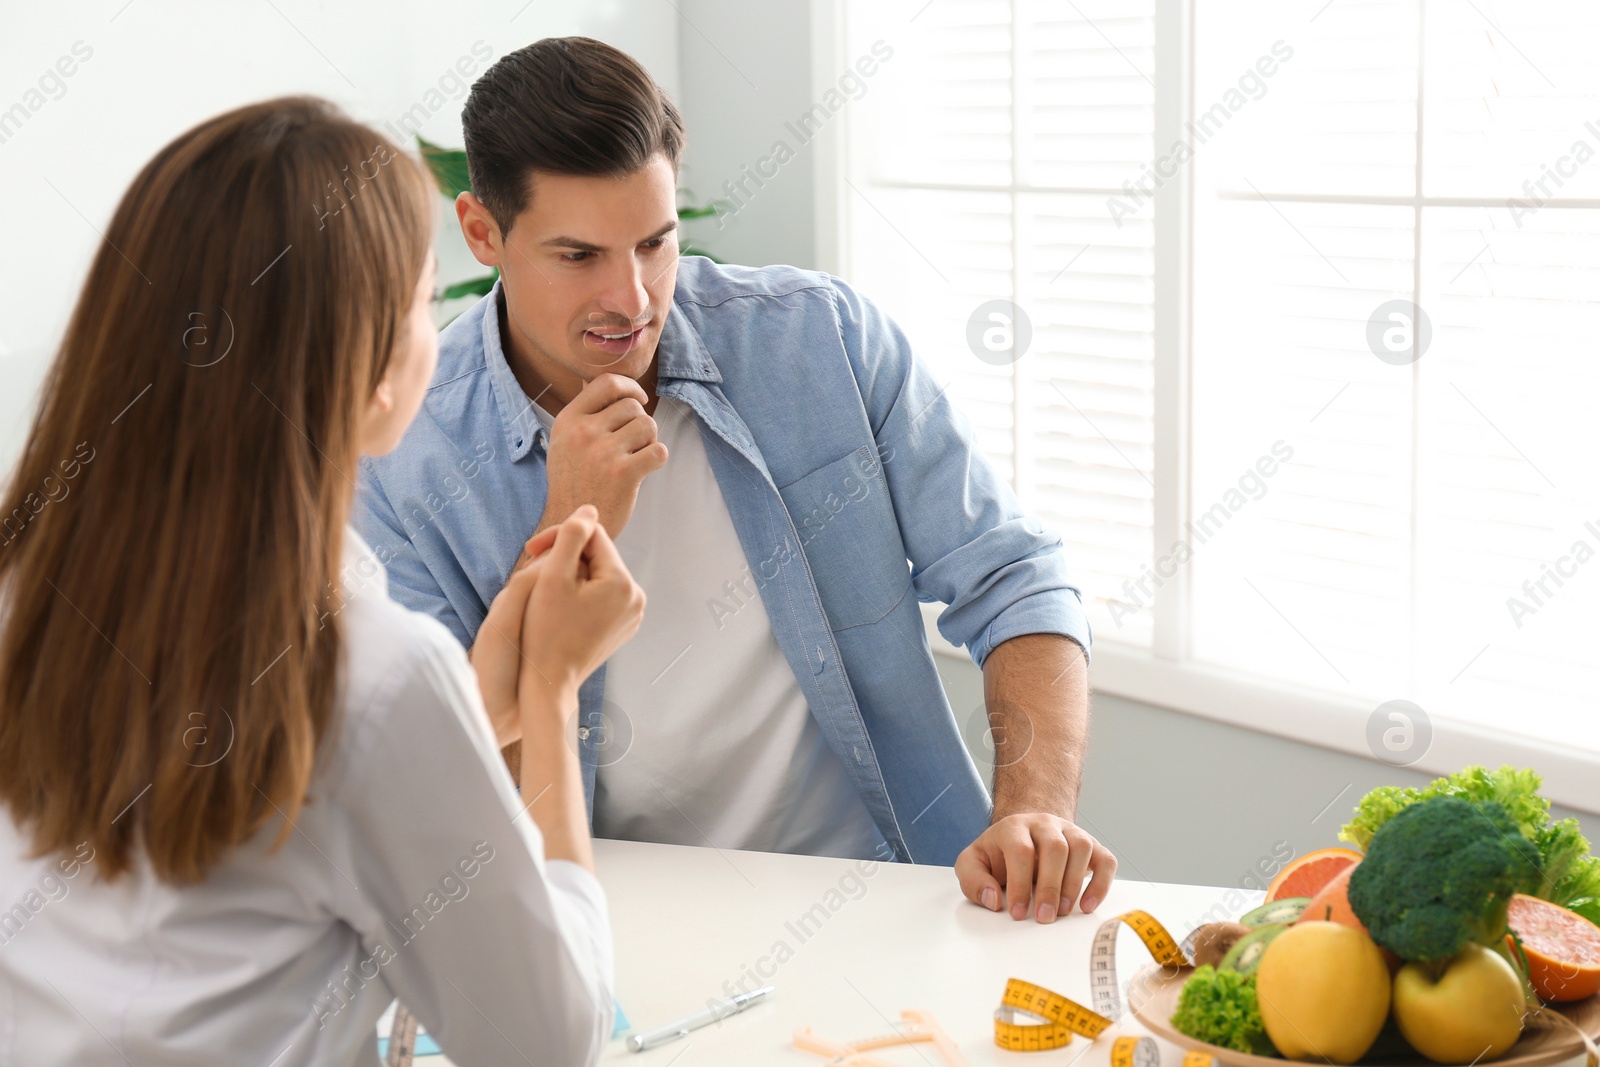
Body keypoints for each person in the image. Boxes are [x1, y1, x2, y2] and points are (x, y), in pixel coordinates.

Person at [356, 36, 1116, 925]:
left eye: (654, 242)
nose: (633, 299)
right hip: (606, 916)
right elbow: (449, 787)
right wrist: (572, 522)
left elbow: (1016, 579)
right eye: (578, 256)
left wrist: (1034, 808)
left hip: (887, 893)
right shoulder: (409, 454)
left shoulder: (821, 341)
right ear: (483, 232)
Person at [0, 96, 641, 1066]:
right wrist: (552, 690)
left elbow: (257, 832)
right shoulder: (369, 668)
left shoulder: (32, 593)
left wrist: (472, 708)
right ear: (372, 367)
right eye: (427, 302)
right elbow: (547, 1043)